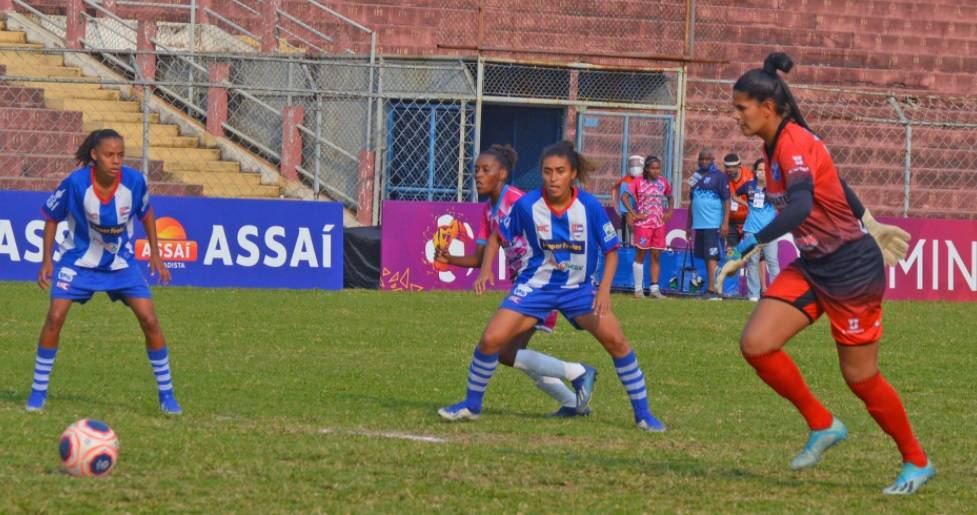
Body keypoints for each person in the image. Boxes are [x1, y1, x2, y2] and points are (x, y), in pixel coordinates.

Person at [731, 52, 933, 494]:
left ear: (767, 107)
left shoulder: (792, 144)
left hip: (850, 272)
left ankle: (916, 461)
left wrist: (752, 242)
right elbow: (832, 183)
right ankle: (823, 424)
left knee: (860, 378)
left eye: (741, 108)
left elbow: (803, 204)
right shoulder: (778, 144)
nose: (737, 117)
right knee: (757, 344)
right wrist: (870, 219)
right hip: (814, 264)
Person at [439, 141, 666, 432]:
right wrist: (485, 272)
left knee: (618, 343)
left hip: (579, 291)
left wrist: (605, 290)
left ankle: (643, 415)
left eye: (560, 171)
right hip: (536, 287)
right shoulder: (527, 205)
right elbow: (497, 236)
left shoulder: (589, 207)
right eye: (547, 172)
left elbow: (611, 251)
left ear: (572, 174)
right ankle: (471, 406)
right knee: (491, 340)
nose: (553, 178)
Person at [26, 129, 182, 415]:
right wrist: (46, 260)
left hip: (120, 264)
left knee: (149, 319)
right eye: (110, 155)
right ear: (95, 156)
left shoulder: (134, 182)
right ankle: (38, 393)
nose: (116, 160)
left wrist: (156, 255)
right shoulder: (75, 184)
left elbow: (146, 214)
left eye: (120, 155)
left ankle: (167, 395)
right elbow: (50, 218)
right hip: (78, 262)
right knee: (55, 317)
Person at [436, 144, 595, 418]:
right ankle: (573, 400)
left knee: (503, 351)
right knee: (511, 354)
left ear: (502, 174)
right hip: (526, 287)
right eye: (476, 170)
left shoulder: (519, 200)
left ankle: (578, 372)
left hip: (542, 285)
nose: (478, 175)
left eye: (486, 170)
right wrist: (450, 259)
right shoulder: (489, 211)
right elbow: (480, 257)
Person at [624, 155, 672, 298]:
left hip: (658, 224)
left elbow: (670, 196)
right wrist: (634, 214)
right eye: (653, 168)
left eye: (658, 168)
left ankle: (654, 289)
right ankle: (638, 290)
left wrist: (670, 211)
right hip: (644, 225)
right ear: (646, 169)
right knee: (641, 254)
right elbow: (624, 197)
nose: (656, 171)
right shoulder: (638, 182)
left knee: (656, 255)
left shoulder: (663, 182)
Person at [686, 149, 730, 300]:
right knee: (706, 257)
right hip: (699, 225)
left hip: (713, 224)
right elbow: (692, 202)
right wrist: (688, 225)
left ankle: (713, 291)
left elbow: (727, 201)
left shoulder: (719, 177)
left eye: (707, 159)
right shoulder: (695, 176)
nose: (704, 161)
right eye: (701, 159)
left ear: (713, 160)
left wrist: (725, 223)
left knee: (712, 257)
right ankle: (712, 288)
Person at [736, 158, 780, 301]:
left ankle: (775, 295)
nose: (762, 172)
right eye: (759, 170)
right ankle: (753, 295)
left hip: (770, 231)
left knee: (772, 262)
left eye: (765, 170)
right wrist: (745, 204)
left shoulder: (775, 187)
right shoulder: (749, 185)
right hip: (751, 231)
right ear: (755, 172)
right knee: (752, 262)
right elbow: (734, 194)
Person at [611, 155, 644, 246]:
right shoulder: (625, 182)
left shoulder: (646, 181)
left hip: (643, 212)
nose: (634, 168)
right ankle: (630, 242)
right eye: (632, 165)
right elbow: (624, 202)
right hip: (630, 212)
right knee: (628, 220)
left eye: (636, 165)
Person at [723, 153, 754, 248]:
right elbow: (730, 196)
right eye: (727, 168)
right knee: (731, 253)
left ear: (739, 166)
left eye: (732, 168)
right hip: (732, 220)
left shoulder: (749, 176)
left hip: (748, 221)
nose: (729, 171)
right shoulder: (724, 178)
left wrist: (747, 205)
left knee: (750, 252)